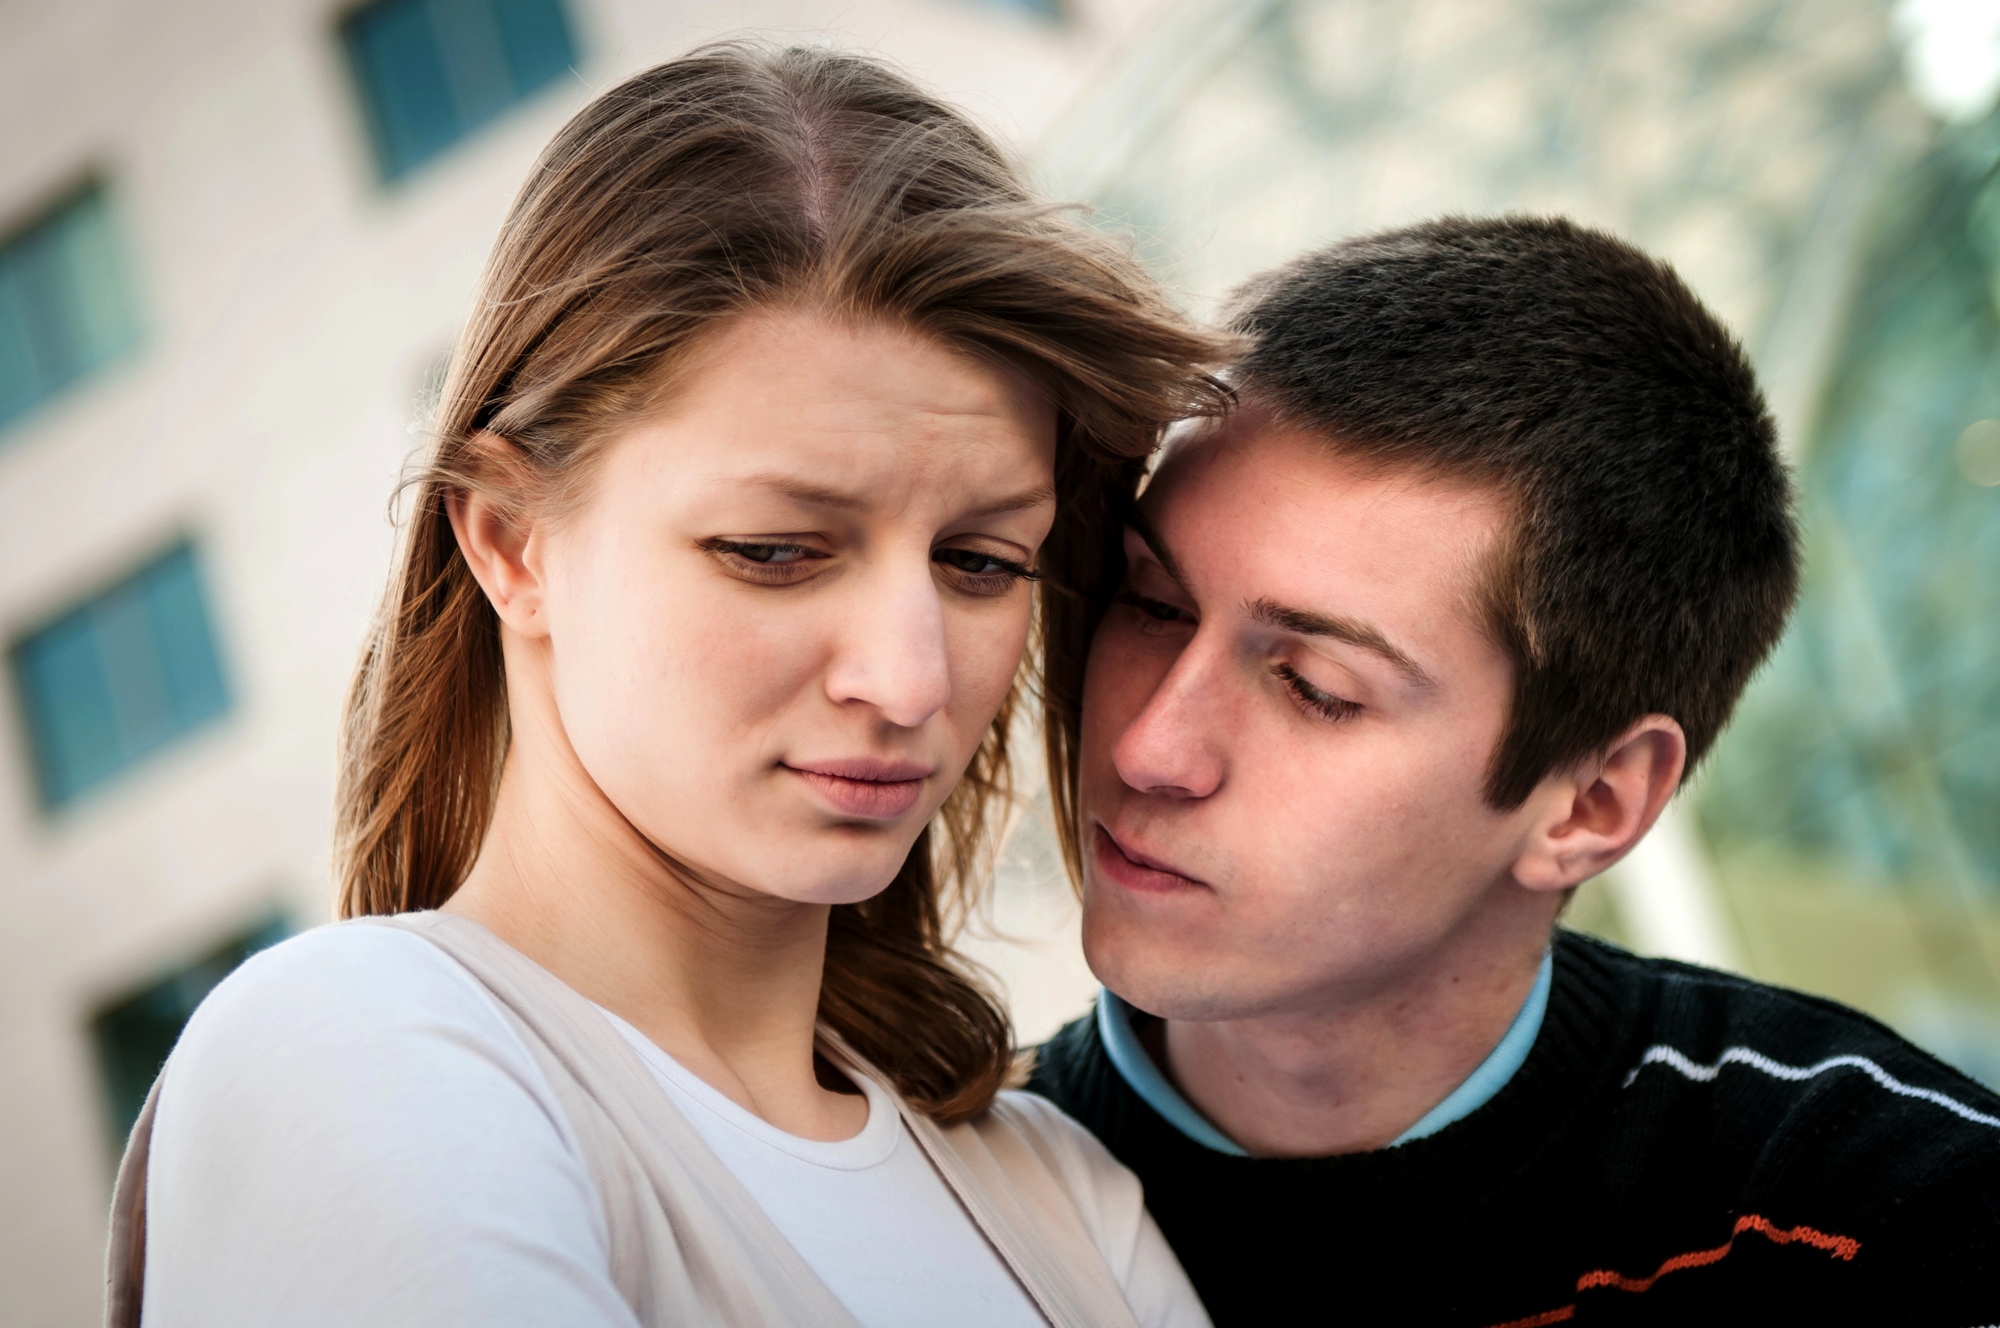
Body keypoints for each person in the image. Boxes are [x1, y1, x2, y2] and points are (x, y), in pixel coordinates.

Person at [112, 44, 1232, 1328]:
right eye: (773, 551)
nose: (910, 678)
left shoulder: (1059, 1189)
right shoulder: (352, 1049)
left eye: (981, 562)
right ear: (510, 541)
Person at [1027, 216, 2000, 1325]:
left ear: (1589, 802)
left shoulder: (1889, 1209)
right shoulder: (930, 1212)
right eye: (1151, 603)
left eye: (1312, 684)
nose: (1146, 746)